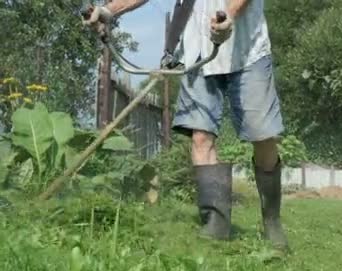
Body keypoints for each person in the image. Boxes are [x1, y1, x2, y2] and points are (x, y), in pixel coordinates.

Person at [84, 0, 289, 251]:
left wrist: (230, 15)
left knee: (263, 136)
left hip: (248, 50)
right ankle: (216, 223)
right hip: (199, 54)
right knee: (201, 137)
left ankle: (271, 220)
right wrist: (108, 11)